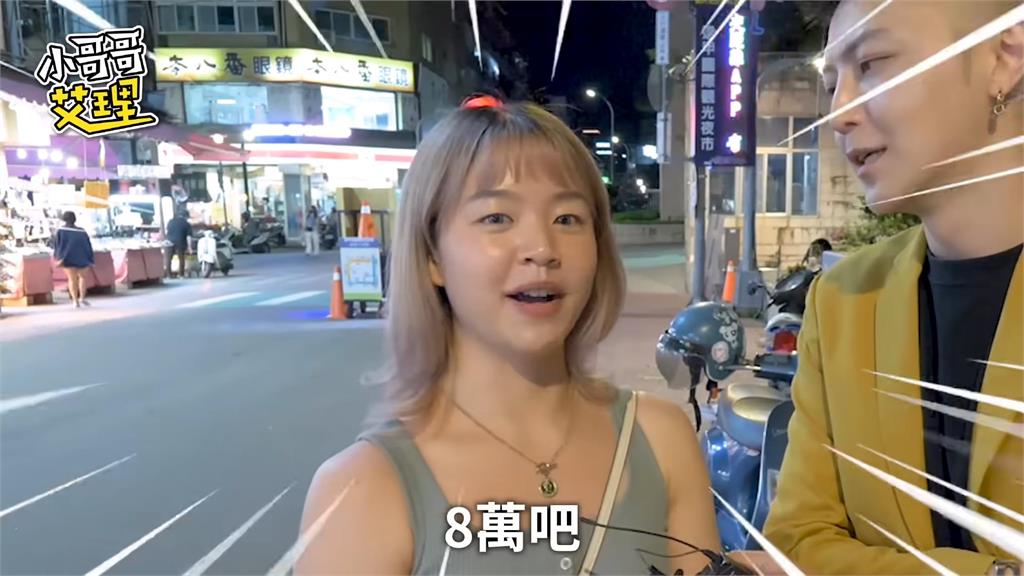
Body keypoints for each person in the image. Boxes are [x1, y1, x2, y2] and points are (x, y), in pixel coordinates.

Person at [295, 98, 720, 575]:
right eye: (497, 218)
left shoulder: (661, 440)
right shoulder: (361, 489)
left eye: (567, 219)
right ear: (433, 255)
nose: (541, 248)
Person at [763, 1, 1023, 574]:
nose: (840, 113)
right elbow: (799, 543)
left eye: (873, 63)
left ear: (1004, 58)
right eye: (832, 84)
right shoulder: (843, 300)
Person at [54, 211, 94, 308]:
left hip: (67, 257)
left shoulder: (61, 231)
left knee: (72, 279)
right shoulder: (82, 231)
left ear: (64, 219)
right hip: (82, 257)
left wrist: (58, 257)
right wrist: (90, 258)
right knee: (83, 278)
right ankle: (82, 298)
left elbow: (57, 246)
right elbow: (88, 245)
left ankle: (75, 301)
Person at [165, 209, 193, 278]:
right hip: (180, 242)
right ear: (185, 216)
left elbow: (167, 231)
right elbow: (188, 237)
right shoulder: (187, 224)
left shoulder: (170, 221)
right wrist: (189, 247)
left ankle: (168, 275)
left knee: (168, 258)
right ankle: (181, 275)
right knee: (181, 258)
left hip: (169, 242)